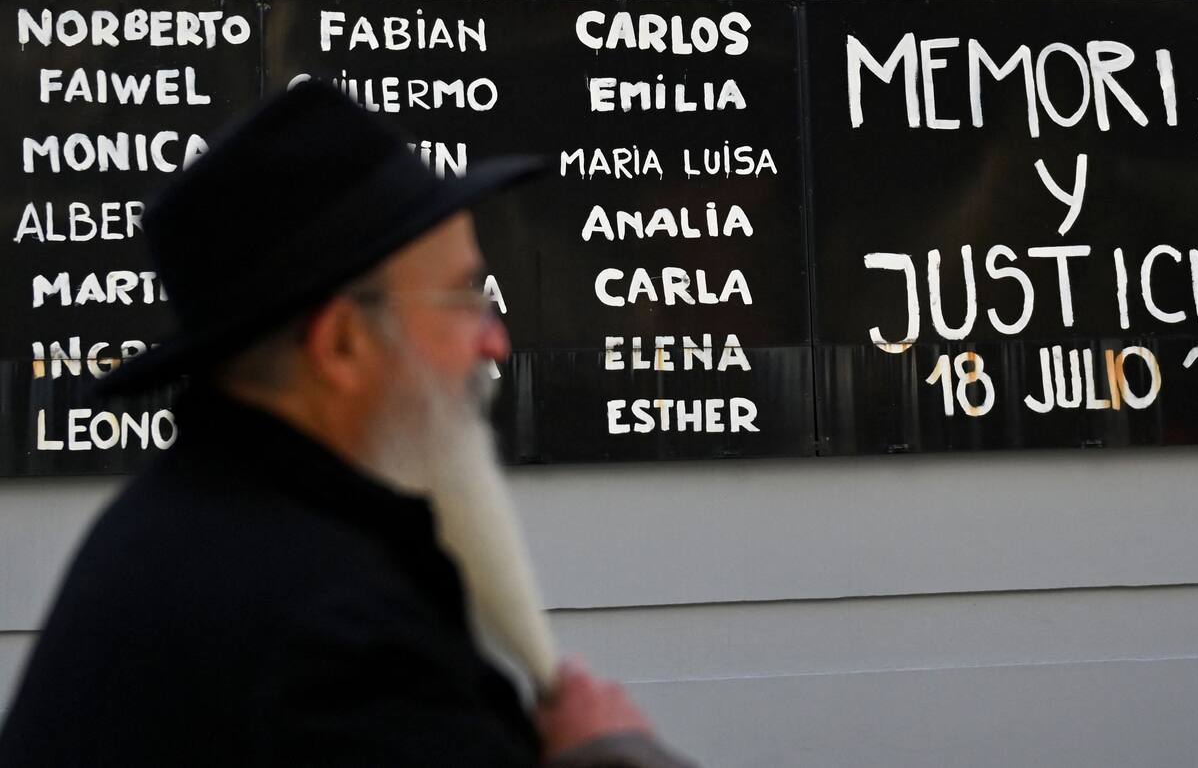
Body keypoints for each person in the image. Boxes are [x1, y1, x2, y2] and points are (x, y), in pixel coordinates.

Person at [0, 84, 696, 768]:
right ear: (341, 345)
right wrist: (606, 755)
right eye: (463, 299)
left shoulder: (175, 527)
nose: (496, 342)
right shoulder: (334, 638)